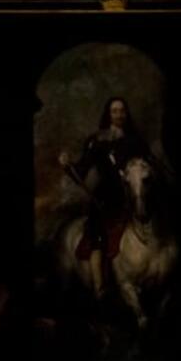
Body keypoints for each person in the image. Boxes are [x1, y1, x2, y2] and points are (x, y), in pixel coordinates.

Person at [58, 96, 152, 265]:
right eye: (114, 111)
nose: (119, 115)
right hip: (106, 198)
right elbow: (81, 171)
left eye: (122, 111)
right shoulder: (97, 140)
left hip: (134, 196)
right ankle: (101, 287)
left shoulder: (136, 140)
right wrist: (67, 164)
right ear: (108, 114)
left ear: (127, 114)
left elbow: (148, 166)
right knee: (97, 236)